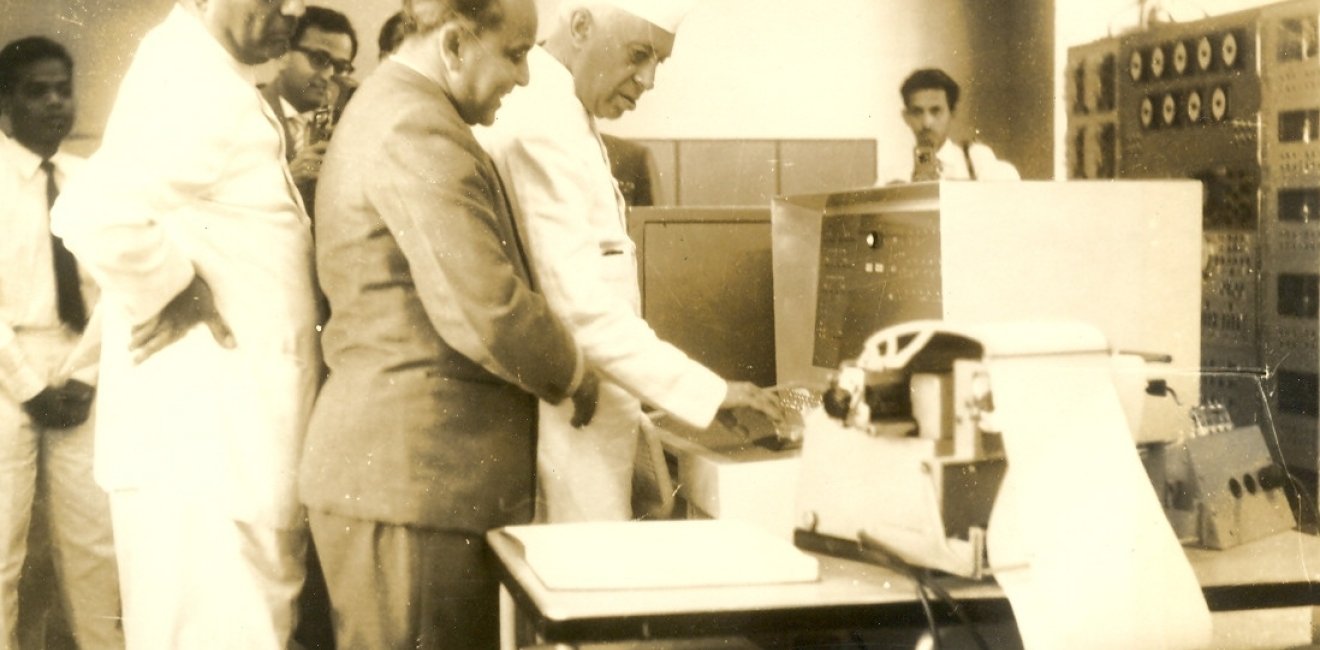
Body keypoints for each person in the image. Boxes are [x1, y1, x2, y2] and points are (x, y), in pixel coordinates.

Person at [298, 0, 599, 646]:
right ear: (456, 45)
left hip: (415, 484)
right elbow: (485, 310)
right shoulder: (415, 126)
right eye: (515, 54)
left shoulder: (402, 111)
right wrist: (575, 371)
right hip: (413, 484)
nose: (524, 77)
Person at [49, 0, 319, 647]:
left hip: (225, 448)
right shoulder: (194, 80)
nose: (295, 8)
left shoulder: (215, 72)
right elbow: (92, 213)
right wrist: (175, 290)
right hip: (202, 452)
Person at [477, 0, 785, 524]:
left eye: (658, 62)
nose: (648, 79)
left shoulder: (568, 113)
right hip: (564, 427)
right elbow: (578, 306)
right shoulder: (542, 121)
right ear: (579, 26)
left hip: (591, 417)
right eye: (639, 54)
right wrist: (710, 392)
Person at [0, 36, 123, 650]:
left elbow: (117, 288)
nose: (54, 102)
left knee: (94, 543)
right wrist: (27, 387)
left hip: (80, 371)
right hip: (5, 374)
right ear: (6, 101)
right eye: (35, 91)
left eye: (62, 89)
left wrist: (85, 374)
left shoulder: (90, 179)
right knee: (2, 551)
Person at [261, 5, 358, 217]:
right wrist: (288, 180)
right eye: (319, 60)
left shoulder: (346, 126)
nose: (328, 75)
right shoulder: (248, 110)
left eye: (340, 67)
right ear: (283, 53)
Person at [899, 67, 1019, 181]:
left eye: (936, 111)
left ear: (952, 113)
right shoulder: (894, 171)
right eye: (917, 112)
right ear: (906, 117)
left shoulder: (976, 160)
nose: (926, 123)